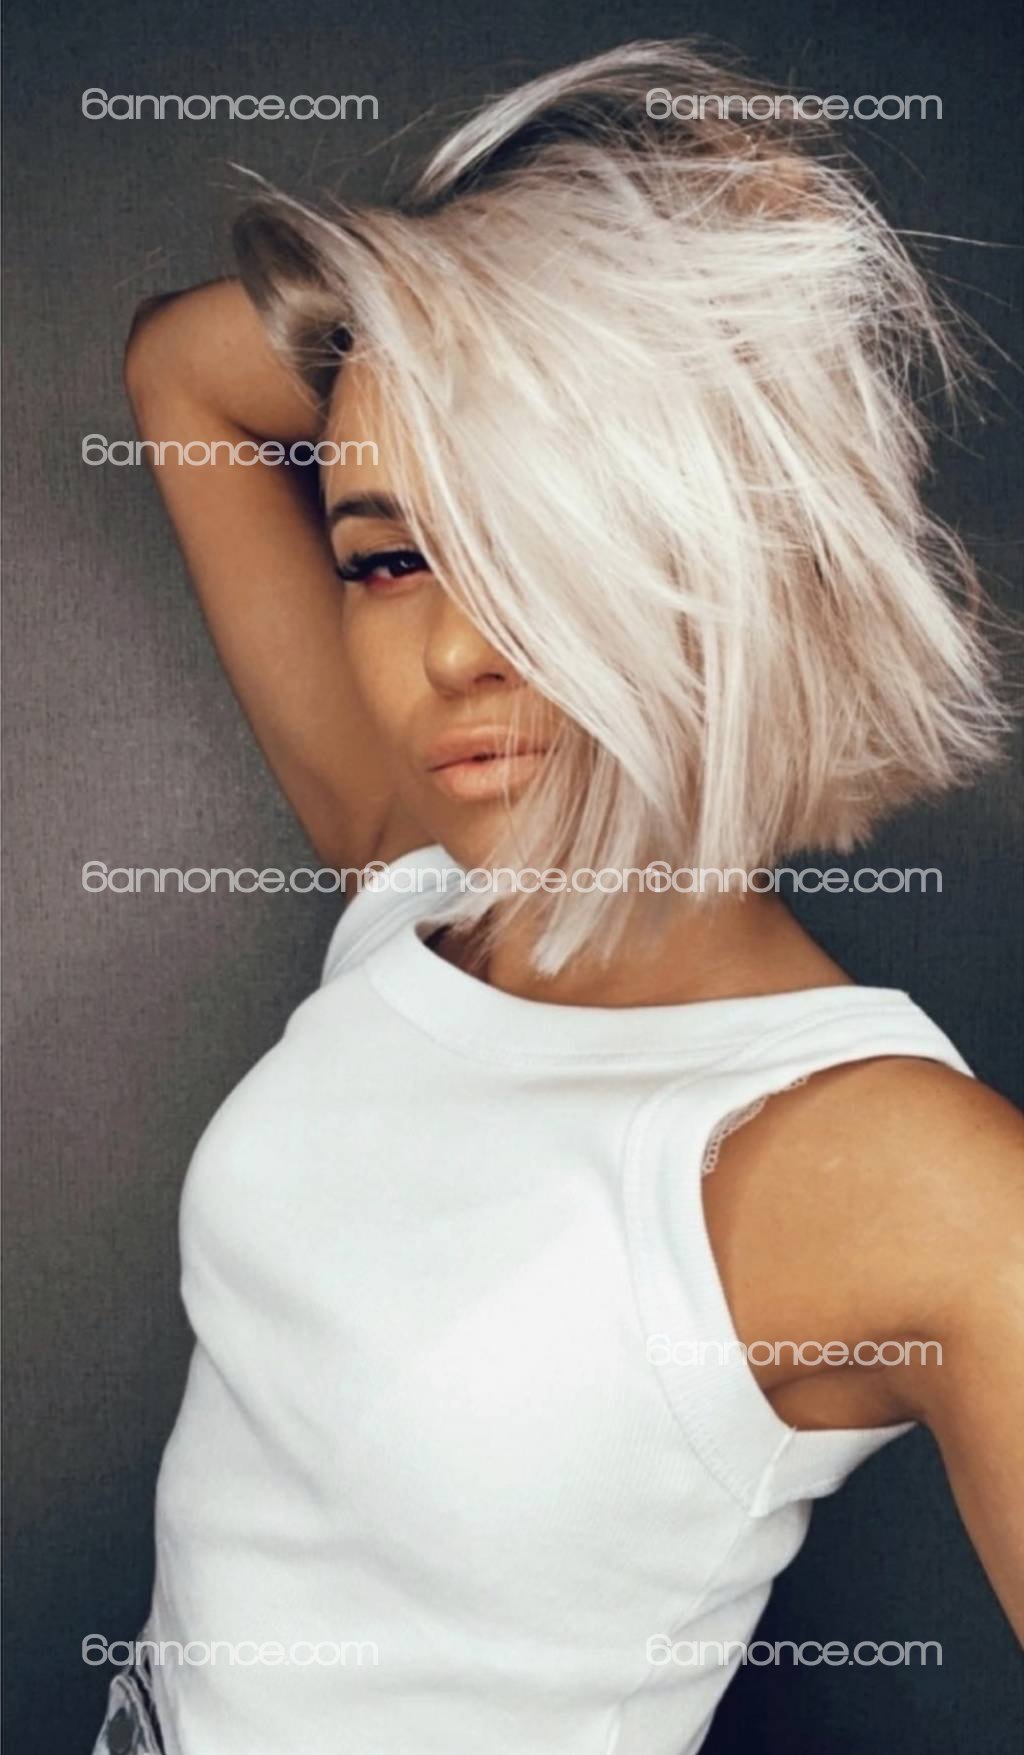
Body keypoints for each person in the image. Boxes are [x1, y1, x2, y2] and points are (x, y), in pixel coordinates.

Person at [95, 40, 1023, 1755]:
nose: (450, 647)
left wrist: (681, 358)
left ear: (719, 549)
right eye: (389, 554)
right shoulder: (425, 892)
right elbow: (186, 371)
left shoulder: (893, 1166)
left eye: (535, 534)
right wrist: (494, 309)